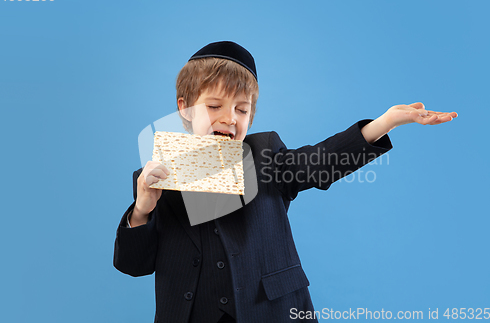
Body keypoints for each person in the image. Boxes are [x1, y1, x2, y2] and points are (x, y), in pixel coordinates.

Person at [113, 41, 457, 323]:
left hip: (271, 311)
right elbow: (133, 265)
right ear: (185, 109)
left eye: (242, 109)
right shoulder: (156, 179)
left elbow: (322, 160)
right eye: (215, 105)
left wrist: (385, 123)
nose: (229, 119)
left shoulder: (265, 155)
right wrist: (142, 209)